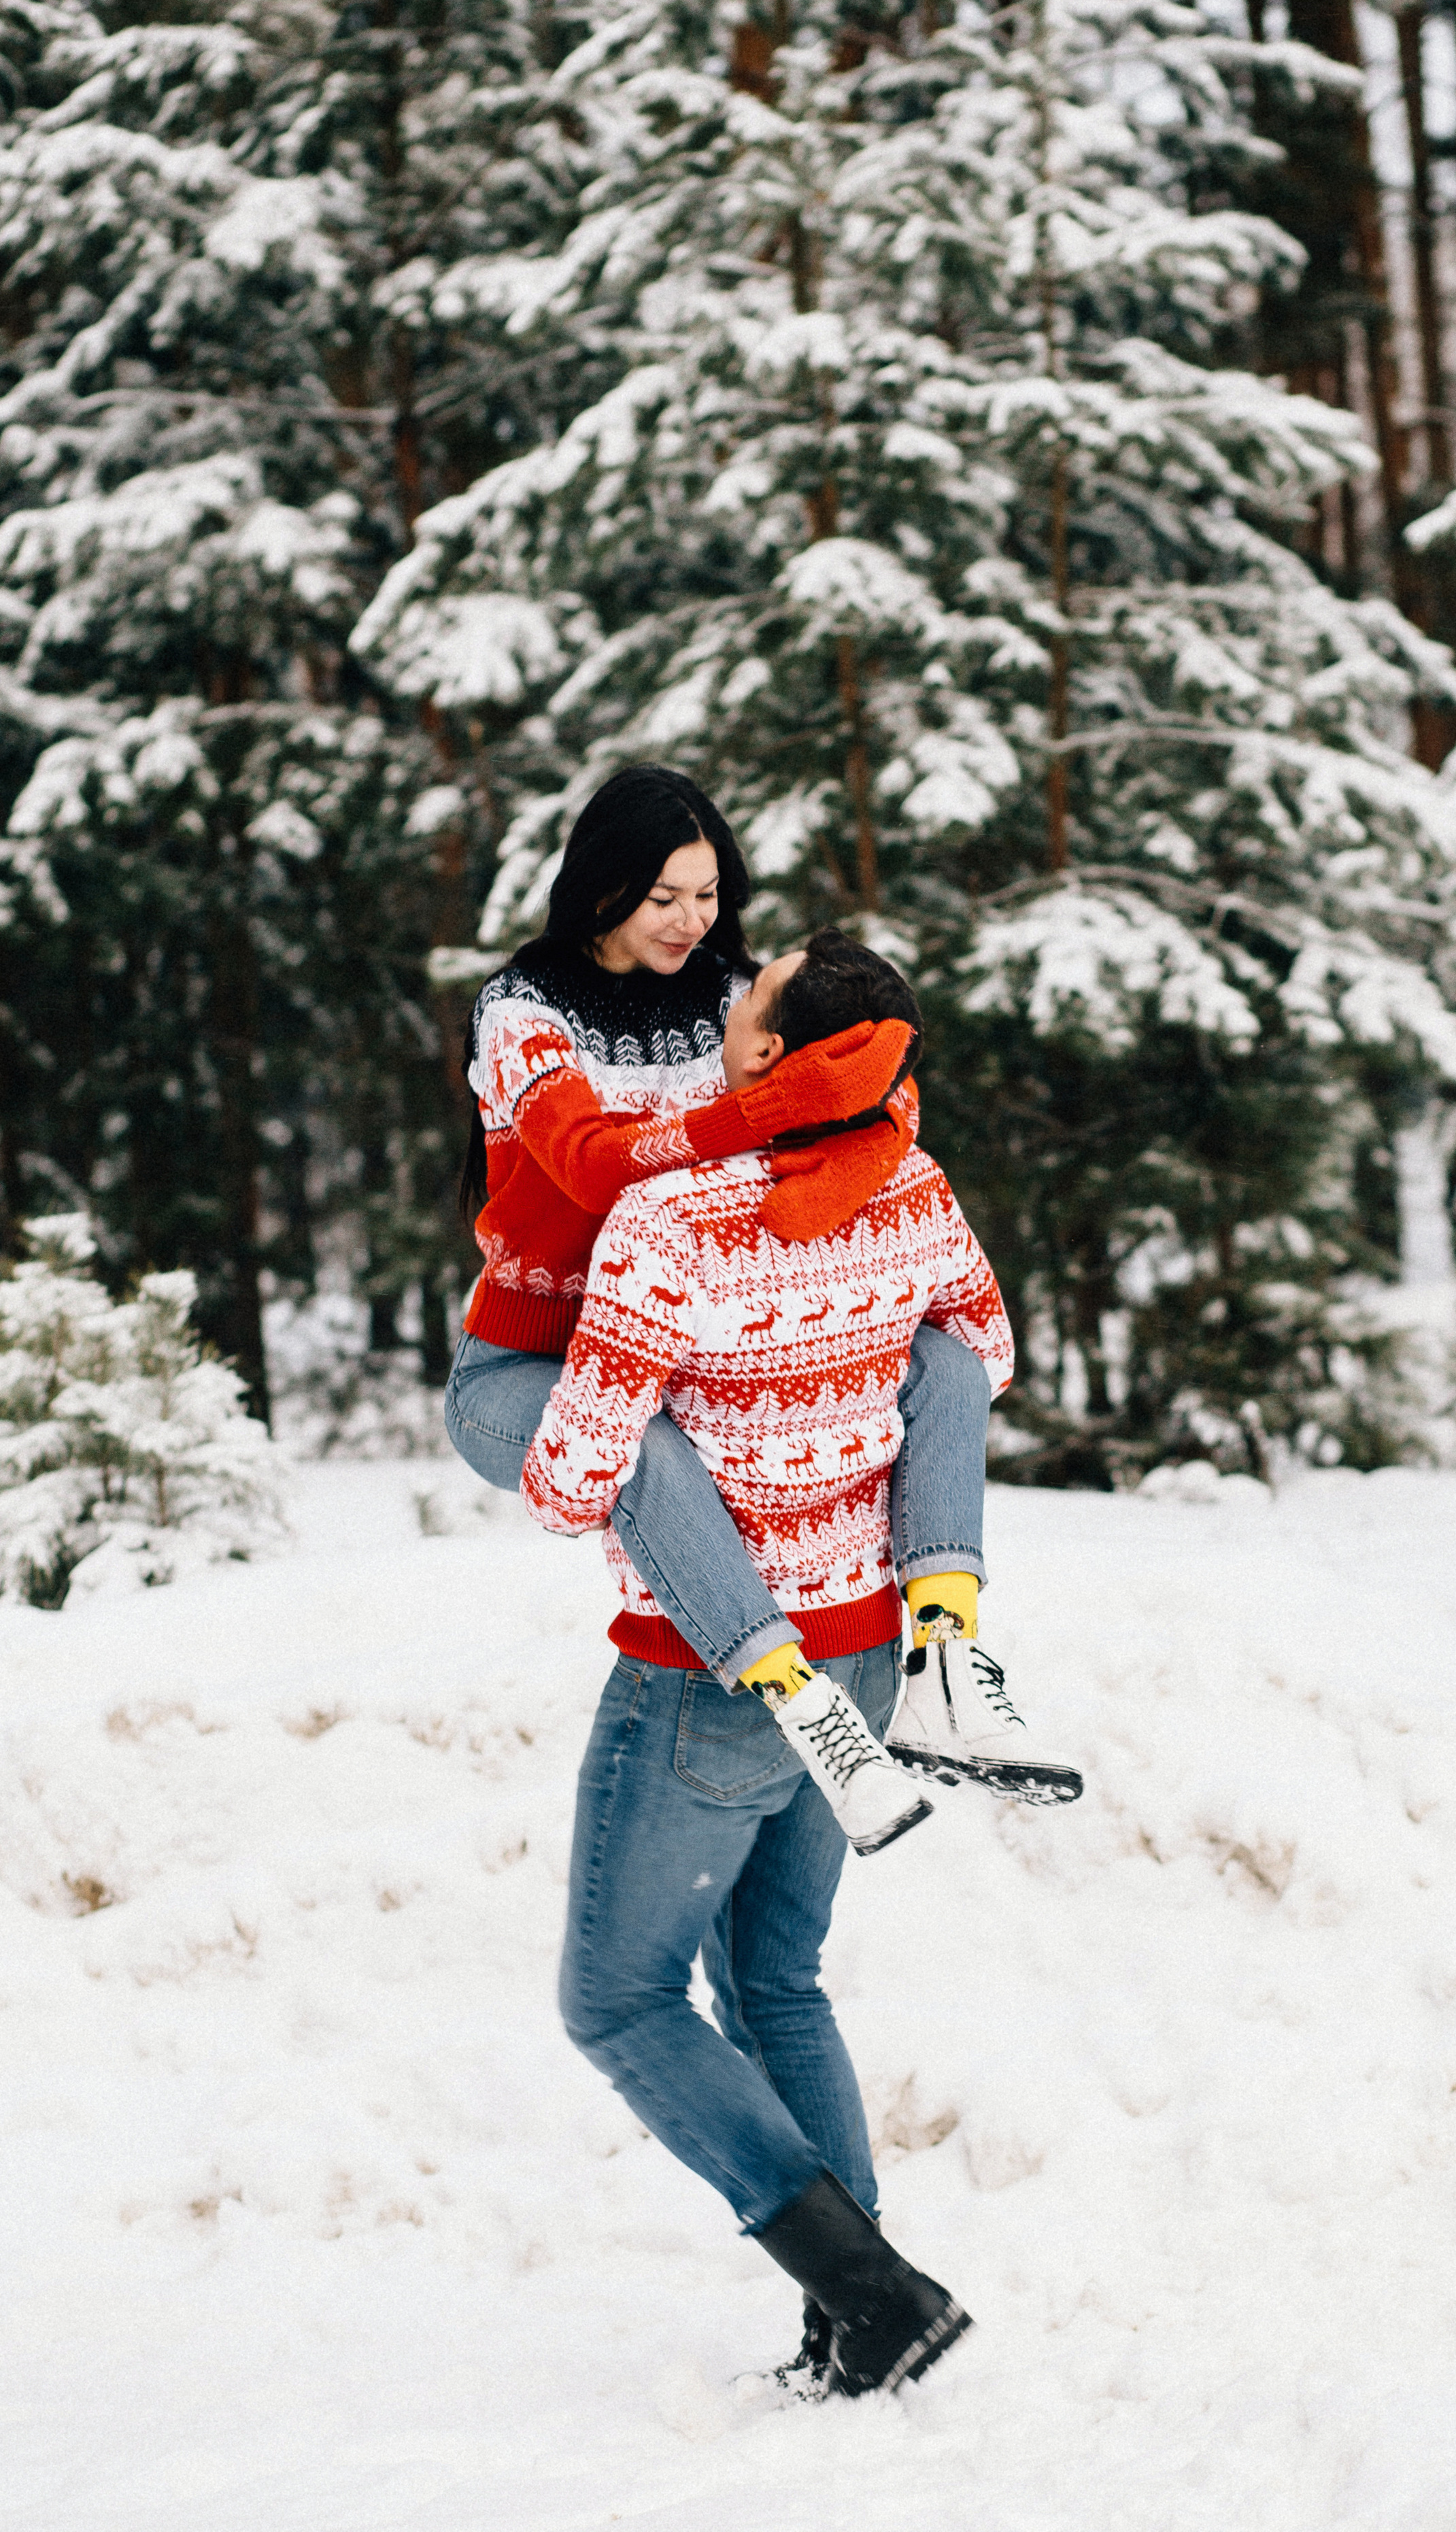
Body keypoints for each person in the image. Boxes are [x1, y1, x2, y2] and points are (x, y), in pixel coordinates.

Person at [520, 930, 1024, 2399]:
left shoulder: (671, 1224)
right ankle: (861, 2324)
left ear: (759, 1059)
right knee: (776, 1981)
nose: (724, 995)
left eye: (744, 1000)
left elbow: (569, 1482)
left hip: (712, 1677)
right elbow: (975, 1353)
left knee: (615, 2003)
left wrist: (592, 1411)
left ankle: (865, 2290)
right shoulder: (911, 1186)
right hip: (862, 1647)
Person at [443, 763, 1069, 1811]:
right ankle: (799, 1702)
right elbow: (595, 1163)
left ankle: (946, 1660)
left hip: (706, 1343)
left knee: (950, 1357)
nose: (693, 921)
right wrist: (776, 1111)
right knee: (635, 1444)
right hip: (533, 1359)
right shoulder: (523, 1013)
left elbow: (875, 1103)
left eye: (708, 894)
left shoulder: (738, 995)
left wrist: (857, 1124)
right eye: (663, 899)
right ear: (600, 887)